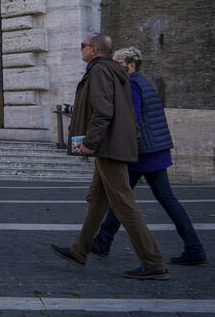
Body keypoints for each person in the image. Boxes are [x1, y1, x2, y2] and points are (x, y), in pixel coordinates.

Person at [50, 33, 169, 280]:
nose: (80, 48)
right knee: (97, 198)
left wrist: (90, 143)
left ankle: (153, 261)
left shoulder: (98, 72)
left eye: (82, 45)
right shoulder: (116, 73)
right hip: (114, 144)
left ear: (93, 49)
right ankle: (79, 250)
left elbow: (103, 111)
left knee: (124, 204)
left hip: (107, 146)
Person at [89, 47, 208, 266]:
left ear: (130, 65)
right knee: (154, 199)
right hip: (153, 149)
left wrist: (117, 146)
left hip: (141, 152)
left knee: (123, 199)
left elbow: (131, 120)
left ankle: (104, 242)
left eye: (118, 63)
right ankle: (194, 248)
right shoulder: (141, 82)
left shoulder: (131, 85)